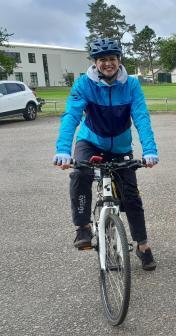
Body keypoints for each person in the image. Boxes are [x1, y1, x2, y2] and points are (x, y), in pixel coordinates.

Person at [53, 38, 159, 271]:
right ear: (95, 62)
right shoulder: (83, 84)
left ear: (119, 60)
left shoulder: (131, 85)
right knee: (80, 174)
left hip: (120, 146)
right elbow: (71, 116)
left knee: (131, 196)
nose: (108, 63)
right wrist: (62, 149)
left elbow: (141, 117)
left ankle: (142, 244)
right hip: (90, 141)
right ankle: (83, 227)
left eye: (112, 58)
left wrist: (149, 149)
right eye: (102, 59)